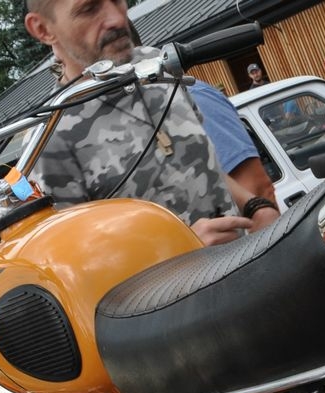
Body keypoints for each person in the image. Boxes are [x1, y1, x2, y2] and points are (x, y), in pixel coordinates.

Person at [22, 0, 278, 245]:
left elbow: (205, 164)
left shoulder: (156, 64)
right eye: (89, 8)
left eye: (117, 0)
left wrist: (254, 206)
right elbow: (76, 262)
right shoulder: (47, 139)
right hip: (182, 279)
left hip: (245, 264)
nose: (116, 18)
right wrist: (182, 245)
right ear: (43, 29)